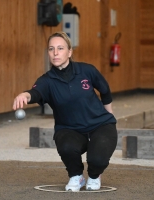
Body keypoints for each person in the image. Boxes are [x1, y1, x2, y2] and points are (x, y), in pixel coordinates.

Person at [13, 32, 118, 192]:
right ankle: (76, 175)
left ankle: (94, 176)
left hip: (100, 125)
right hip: (70, 129)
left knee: (97, 159)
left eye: (60, 48)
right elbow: (36, 93)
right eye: (51, 49)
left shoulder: (86, 70)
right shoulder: (47, 80)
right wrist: (24, 95)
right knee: (66, 147)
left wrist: (109, 116)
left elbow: (105, 90)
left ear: (69, 52)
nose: (55, 53)